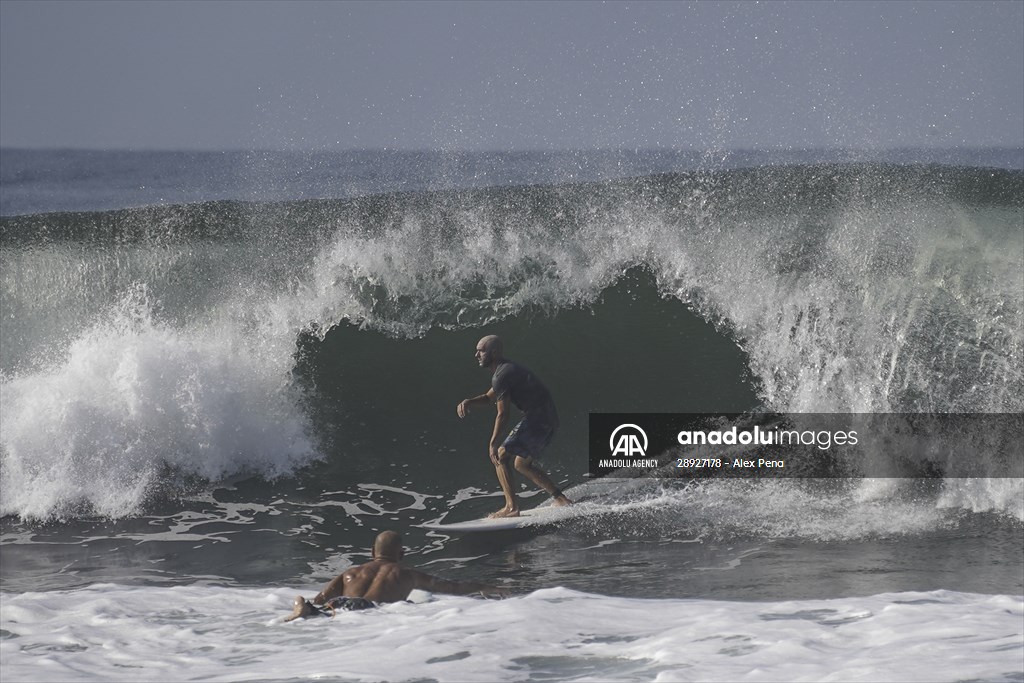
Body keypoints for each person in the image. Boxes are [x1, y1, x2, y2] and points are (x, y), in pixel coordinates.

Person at [456, 335, 571, 518]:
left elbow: (503, 414)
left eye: (481, 350)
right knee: (521, 464)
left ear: (494, 353)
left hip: (539, 418)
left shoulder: (502, 374)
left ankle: (511, 508)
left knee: (500, 456)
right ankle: (561, 499)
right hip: (546, 418)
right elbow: (489, 397)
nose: (476, 354)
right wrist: (469, 402)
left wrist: (493, 443)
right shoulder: (505, 371)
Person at [285, 531, 506, 621]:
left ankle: (299, 606)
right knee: (409, 605)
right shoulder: (407, 573)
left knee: (315, 609)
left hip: (340, 603)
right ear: (401, 554)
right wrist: (484, 586)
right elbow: (451, 587)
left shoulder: (350, 572)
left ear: (372, 553)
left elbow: (321, 598)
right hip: (366, 609)